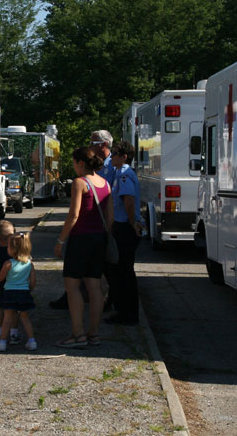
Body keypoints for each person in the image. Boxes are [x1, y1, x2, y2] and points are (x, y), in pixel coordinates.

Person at [53, 146, 113, 348]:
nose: (73, 166)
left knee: (72, 287)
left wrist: (61, 240)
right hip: (99, 239)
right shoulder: (105, 183)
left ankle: (77, 334)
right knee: (95, 287)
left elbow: (74, 215)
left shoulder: (80, 183)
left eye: (73, 162)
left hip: (80, 240)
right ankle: (93, 334)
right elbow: (110, 218)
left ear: (80, 163)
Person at [105, 140, 143, 325]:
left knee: (124, 272)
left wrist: (132, 222)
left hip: (125, 228)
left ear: (124, 156)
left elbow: (128, 201)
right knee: (119, 271)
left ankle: (128, 314)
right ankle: (122, 310)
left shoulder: (125, 175)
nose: (111, 156)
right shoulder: (119, 173)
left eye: (115, 154)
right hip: (121, 226)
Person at [0, 232, 37, 352]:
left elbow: (0, 278)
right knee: (25, 318)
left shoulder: (8, 263)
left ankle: (2, 342)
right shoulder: (30, 264)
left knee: (7, 319)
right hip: (24, 293)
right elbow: (33, 281)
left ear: (13, 249)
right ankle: (32, 341)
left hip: (10, 293)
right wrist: (29, 290)